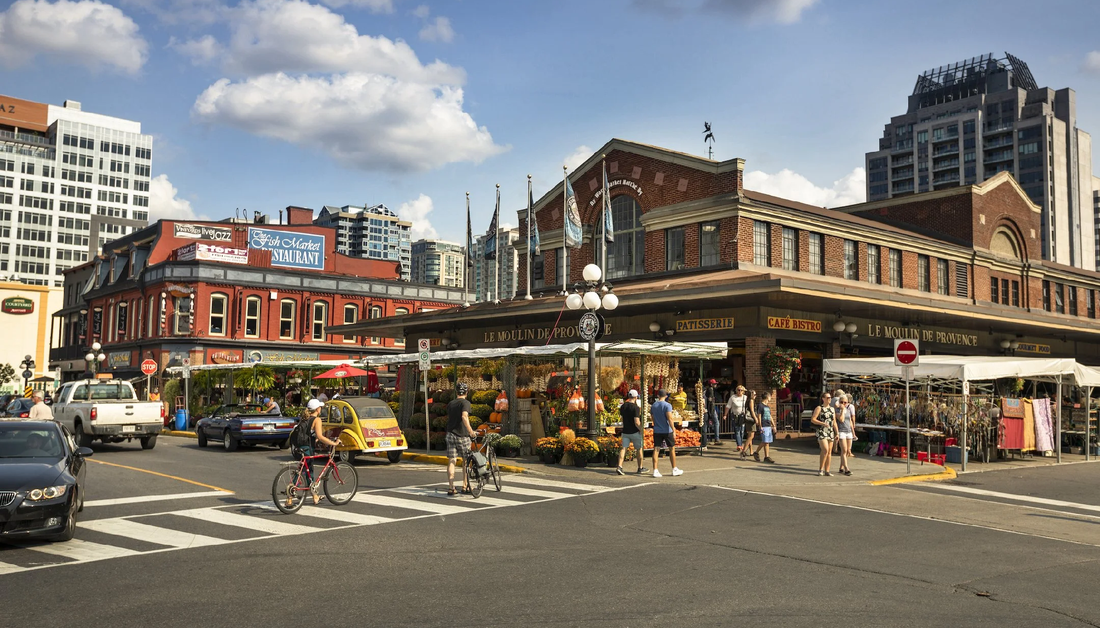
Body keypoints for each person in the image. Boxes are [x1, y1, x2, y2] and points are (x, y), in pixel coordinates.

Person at [299, 398, 340, 504]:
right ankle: (289, 498)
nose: (321, 409)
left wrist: (316, 440)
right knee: (303, 472)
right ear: (317, 409)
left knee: (307, 471)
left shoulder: (305, 418)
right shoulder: (317, 420)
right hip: (308, 447)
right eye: (320, 407)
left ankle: (315, 496)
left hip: (300, 446)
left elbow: (309, 434)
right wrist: (333, 443)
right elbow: (320, 437)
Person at [445, 383, 478, 496]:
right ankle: (465, 485)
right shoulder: (465, 403)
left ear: (456, 392)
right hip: (462, 435)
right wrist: (470, 431)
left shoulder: (451, 403)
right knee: (466, 461)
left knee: (452, 460)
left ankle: (451, 487)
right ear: (466, 392)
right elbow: (464, 416)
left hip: (450, 434)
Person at [649, 389, 683, 478]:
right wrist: (673, 429)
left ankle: (655, 470)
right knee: (672, 449)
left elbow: (652, 417)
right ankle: (674, 468)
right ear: (666, 396)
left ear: (658, 396)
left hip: (657, 430)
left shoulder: (653, 406)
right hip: (667, 430)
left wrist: (656, 424)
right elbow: (670, 418)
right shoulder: (667, 405)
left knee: (656, 449)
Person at [616, 390, 647, 475]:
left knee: (623, 448)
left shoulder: (623, 406)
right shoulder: (635, 408)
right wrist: (641, 429)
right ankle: (640, 468)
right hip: (634, 432)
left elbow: (622, 419)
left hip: (625, 431)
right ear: (636, 397)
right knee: (639, 449)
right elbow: (637, 421)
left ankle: (619, 466)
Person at [810, 392, 838, 476]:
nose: (829, 399)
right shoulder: (819, 408)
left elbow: (834, 422)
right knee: (825, 449)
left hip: (830, 431)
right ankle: (821, 469)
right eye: (828, 397)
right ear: (823, 399)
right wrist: (822, 423)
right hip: (822, 430)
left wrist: (837, 432)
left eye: (830, 397)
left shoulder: (832, 409)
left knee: (829, 451)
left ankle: (827, 470)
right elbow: (813, 419)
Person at [723, 385, 749, 454]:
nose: (739, 391)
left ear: (743, 391)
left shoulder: (745, 398)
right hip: (735, 415)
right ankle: (739, 445)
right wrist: (725, 415)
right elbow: (728, 406)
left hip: (742, 416)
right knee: (737, 430)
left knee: (742, 431)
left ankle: (740, 443)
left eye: (741, 390)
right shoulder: (733, 397)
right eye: (738, 390)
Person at [752, 391, 776, 463]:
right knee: (765, 441)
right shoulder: (760, 405)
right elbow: (759, 416)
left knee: (767, 442)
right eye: (770, 396)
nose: (770, 398)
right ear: (767, 397)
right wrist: (760, 426)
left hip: (768, 425)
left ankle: (767, 456)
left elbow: (770, 416)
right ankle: (756, 452)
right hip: (764, 425)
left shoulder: (767, 407)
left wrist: (773, 425)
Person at [836, 394, 855, 476]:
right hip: (841, 431)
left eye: (845, 402)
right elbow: (841, 419)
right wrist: (842, 410)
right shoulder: (837, 410)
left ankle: (841, 467)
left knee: (847, 451)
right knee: (844, 450)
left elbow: (850, 420)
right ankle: (846, 469)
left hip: (848, 431)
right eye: (842, 402)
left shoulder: (848, 410)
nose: (843, 404)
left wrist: (853, 432)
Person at [703, 379, 721, 446]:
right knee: (716, 422)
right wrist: (711, 411)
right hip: (711, 409)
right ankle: (717, 438)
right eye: (715, 384)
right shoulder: (710, 390)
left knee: (708, 423)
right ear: (711, 384)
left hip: (710, 409)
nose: (716, 385)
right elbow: (710, 401)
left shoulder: (708, 390)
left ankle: (708, 438)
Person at [741, 390, 758, 460]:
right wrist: (756, 419)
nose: (755, 396)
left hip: (748, 419)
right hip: (751, 420)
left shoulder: (747, 401)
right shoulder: (751, 401)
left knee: (749, 435)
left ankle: (751, 451)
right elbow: (752, 411)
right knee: (751, 436)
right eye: (754, 394)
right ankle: (743, 451)